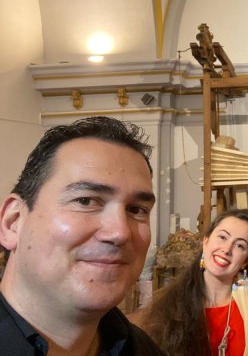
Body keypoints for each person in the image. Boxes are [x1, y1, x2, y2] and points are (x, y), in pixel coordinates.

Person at [0, 116, 164, 355]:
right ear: (13, 222)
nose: (120, 232)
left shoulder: (143, 349)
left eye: (136, 210)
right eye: (85, 201)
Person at [140, 209, 248, 356]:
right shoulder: (171, 306)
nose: (227, 249)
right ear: (206, 241)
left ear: (246, 261)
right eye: (222, 237)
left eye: (239, 245)